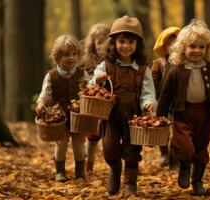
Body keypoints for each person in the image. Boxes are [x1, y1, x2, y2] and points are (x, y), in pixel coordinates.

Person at [156, 19, 210, 196]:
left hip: (204, 114)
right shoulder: (175, 71)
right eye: (192, 46)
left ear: (208, 49)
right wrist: (160, 116)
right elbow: (165, 96)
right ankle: (185, 167)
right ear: (183, 48)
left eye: (202, 47)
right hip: (182, 113)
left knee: (201, 148)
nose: (197, 51)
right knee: (184, 145)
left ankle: (198, 180)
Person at [89, 15, 156, 198]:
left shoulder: (143, 69)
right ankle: (115, 170)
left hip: (134, 116)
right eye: (122, 41)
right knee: (110, 147)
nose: (126, 46)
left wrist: (148, 102)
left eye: (130, 42)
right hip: (110, 115)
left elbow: (148, 91)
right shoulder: (106, 65)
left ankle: (130, 185)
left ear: (137, 45)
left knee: (132, 150)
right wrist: (98, 80)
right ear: (114, 43)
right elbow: (91, 86)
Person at [35, 35, 89, 182]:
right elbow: (45, 93)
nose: (71, 58)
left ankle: (80, 173)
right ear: (57, 57)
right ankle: (60, 172)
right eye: (66, 54)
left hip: (79, 117)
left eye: (74, 54)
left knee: (79, 145)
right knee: (61, 144)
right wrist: (41, 103)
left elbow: (89, 90)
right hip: (59, 118)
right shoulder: (51, 76)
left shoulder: (81, 74)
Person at [80, 23, 110, 174]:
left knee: (108, 135)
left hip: (109, 104)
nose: (102, 46)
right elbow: (82, 83)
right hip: (92, 104)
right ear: (93, 44)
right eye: (99, 42)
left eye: (106, 41)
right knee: (91, 137)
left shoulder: (113, 62)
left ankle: (112, 164)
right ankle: (89, 164)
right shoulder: (85, 63)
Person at [151, 27, 180, 169]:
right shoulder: (158, 63)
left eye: (176, 43)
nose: (173, 47)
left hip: (178, 101)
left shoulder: (183, 63)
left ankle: (175, 155)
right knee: (162, 129)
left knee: (178, 129)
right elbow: (153, 82)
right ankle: (164, 152)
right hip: (161, 100)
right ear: (163, 46)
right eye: (169, 44)